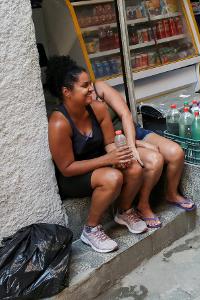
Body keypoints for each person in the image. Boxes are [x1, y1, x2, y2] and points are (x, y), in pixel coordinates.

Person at [46, 56, 147, 253]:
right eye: (85, 86)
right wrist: (108, 160)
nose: (92, 89)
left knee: (134, 167)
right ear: (67, 92)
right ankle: (90, 229)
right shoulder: (59, 123)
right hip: (73, 176)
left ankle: (124, 211)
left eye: (90, 84)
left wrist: (119, 156)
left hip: (100, 164)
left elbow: (109, 143)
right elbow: (66, 169)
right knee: (113, 177)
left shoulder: (98, 109)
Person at [92, 76, 194, 227]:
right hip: (117, 144)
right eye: (83, 85)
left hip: (133, 132)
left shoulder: (98, 87)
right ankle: (143, 205)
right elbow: (104, 142)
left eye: (88, 83)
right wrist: (139, 145)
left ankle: (172, 194)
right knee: (155, 160)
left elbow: (125, 114)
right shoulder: (78, 107)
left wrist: (134, 145)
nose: (88, 88)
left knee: (176, 152)